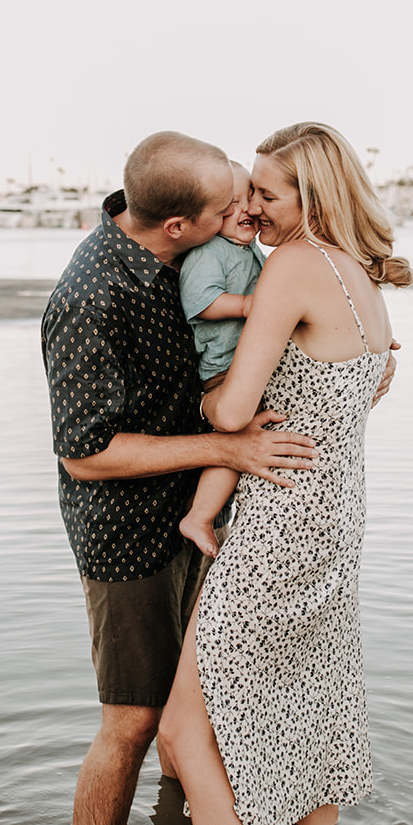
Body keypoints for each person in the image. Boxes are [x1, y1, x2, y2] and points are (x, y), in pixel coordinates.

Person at [41, 131, 331, 825]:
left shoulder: (184, 250)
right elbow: (85, 454)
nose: (245, 212)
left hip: (196, 510)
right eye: (228, 205)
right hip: (127, 534)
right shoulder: (91, 297)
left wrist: (352, 360)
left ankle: (177, 820)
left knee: (191, 710)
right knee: (133, 721)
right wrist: (227, 444)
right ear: (178, 223)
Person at [157, 122, 413, 825]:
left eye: (266, 194)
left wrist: (207, 401)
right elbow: (359, 388)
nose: (254, 207)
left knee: (182, 732)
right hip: (336, 520)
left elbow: (237, 408)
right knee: (309, 737)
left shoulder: (293, 266)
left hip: (279, 522)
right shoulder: (359, 272)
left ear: (312, 195)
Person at [177, 160, 263, 559]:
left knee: (249, 440)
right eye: (231, 204)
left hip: (248, 365)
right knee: (233, 442)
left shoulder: (249, 250)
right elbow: (202, 301)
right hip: (223, 370)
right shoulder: (209, 252)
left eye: (252, 196)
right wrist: (251, 305)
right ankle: (201, 515)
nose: (247, 208)